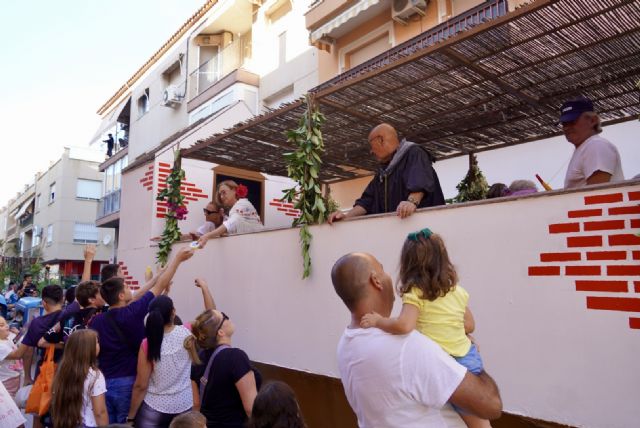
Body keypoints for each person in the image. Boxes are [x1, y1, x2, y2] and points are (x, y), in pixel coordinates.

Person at [331, 252, 502, 428]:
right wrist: (468, 353)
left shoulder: (346, 345)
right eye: (383, 270)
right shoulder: (406, 346)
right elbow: (490, 405)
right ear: (376, 281)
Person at [360, 228, 492, 428]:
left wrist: (378, 321)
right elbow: (469, 324)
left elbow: (404, 325)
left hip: (444, 365)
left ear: (408, 264)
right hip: (468, 358)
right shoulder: (456, 290)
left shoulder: (415, 292)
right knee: (479, 424)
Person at [89, 246, 195, 423]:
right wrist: (177, 259)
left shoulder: (97, 321)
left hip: (103, 382)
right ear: (122, 295)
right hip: (128, 382)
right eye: (127, 286)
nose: (131, 288)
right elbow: (160, 286)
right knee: (124, 423)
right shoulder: (133, 312)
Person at [128, 279, 216, 427]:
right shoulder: (187, 332)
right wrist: (205, 288)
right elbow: (212, 316)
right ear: (173, 312)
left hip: (155, 406)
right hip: (183, 404)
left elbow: (141, 385)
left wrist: (131, 416)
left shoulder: (148, 343)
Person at [328, 123, 445, 224]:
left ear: (381, 140)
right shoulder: (382, 173)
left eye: (371, 145)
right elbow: (366, 202)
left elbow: (420, 182)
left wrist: (411, 202)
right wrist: (346, 217)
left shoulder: (414, 153)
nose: (371, 151)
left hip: (421, 232)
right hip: (394, 231)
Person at [188, 305, 262, 427]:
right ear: (220, 332)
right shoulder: (236, 357)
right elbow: (251, 409)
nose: (229, 318)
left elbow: (196, 404)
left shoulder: (199, 357)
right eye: (225, 316)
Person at [559, 97, 624, 188]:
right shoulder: (585, 147)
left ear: (593, 120)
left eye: (572, 121)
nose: (567, 127)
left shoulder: (595, 145)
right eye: (564, 123)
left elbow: (597, 195)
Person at [51, 329, 108, 428]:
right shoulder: (95, 376)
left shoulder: (62, 372)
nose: (99, 345)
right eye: (96, 342)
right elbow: (100, 412)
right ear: (88, 349)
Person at [12, 285, 64, 387]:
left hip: (44, 371)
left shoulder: (36, 323)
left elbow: (27, 351)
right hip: (66, 370)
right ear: (62, 299)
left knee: (41, 400)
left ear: (44, 303)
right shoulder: (68, 317)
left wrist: (27, 377)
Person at [197, 180, 264, 248]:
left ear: (234, 190)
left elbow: (230, 223)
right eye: (220, 194)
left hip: (258, 244)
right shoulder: (235, 208)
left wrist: (208, 235)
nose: (221, 197)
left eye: (224, 192)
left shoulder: (243, 204)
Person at [0, 316, 22, 397]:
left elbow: (17, 343)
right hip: (6, 380)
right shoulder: (0, 346)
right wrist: (27, 338)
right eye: (2, 325)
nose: (7, 326)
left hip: (14, 376)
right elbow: (17, 355)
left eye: (6, 323)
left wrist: (19, 335)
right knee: (9, 403)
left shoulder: (8, 338)